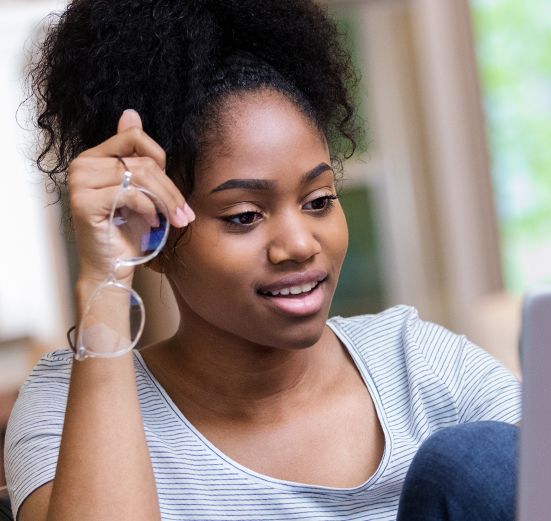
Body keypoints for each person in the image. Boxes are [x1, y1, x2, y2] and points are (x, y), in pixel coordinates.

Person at [3, 1, 521, 520]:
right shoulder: (68, 406)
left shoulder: (420, 366)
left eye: (319, 201)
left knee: (480, 461)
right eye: (244, 215)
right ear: (154, 236)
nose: (298, 244)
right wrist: (106, 278)